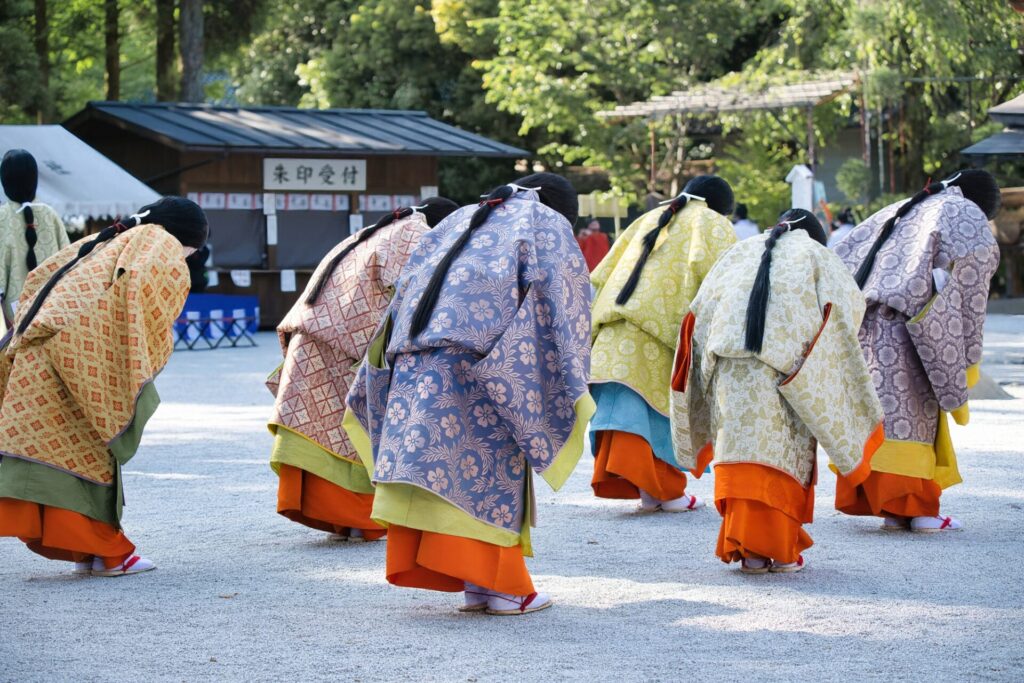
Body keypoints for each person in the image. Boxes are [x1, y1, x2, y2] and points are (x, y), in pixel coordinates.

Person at [344, 173, 592, 615]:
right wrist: (563, 378)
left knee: (447, 471)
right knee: (485, 471)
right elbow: (563, 302)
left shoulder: (461, 218)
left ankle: (477, 585)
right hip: (476, 367)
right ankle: (504, 587)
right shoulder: (543, 223)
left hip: (411, 363)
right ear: (563, 212)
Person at [0, 197, 208, 576]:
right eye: (192, 251)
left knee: (58, 453)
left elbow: (37, 281)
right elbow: (140, 296)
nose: (189, 259)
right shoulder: (158, 241)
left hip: (40, 353)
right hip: (71, 355)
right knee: (86, 454)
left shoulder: (112, 238)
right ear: (187, 237)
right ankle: (109, 553)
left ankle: (90, 552)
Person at [670, 209, 883, 573]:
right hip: (786, 371)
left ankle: (746, 547)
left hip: (727, 366)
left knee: (738, 444)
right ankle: (776, 547)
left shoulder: (737, 252)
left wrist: (707, 368)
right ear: (814, 235)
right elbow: (846, 312)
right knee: (782, 451)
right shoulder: (817, 255)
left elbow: (699, 311)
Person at [267, 198, 458, 541]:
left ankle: (344, 521)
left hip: (318, 340)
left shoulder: (381, 229)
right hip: (343, 348)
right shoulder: (416, 234)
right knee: (352, 432)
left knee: (325, 430)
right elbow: (418, 294)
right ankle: (357, 520)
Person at [833, 170, 1001, 533]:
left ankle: (892, 509)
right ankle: (918, 509)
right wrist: (967, 358)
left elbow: (841, 255)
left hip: (864, 328)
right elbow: (971, 291)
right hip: (912, 329)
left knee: (881, 414)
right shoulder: (964, 213)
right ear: (983, 206)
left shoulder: (906, 207)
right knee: (914, 417)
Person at [589, 176, 735, 513]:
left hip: (613, 333)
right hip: (655, 336)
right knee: (655, 416)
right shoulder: (712, 223)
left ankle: (651, 493)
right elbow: (727, 282)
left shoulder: (649, 217)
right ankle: (665, 492)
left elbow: (602, 274)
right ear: (720, 207)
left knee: (626, 415)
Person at [0, 149, 71, 325]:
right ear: (34, 180)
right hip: (50, 312)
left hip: (12, 321)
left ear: (5, 181)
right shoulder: (51, 215)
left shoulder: (2, 217)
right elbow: (70, 264)